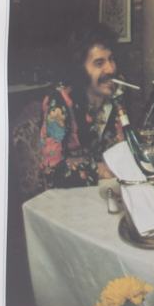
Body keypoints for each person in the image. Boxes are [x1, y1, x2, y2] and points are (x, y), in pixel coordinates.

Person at [37, 24, 126, 188]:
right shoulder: (60, 103)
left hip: (104, 190)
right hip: (68, 196)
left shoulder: (114, 98)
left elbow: (120, 151)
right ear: (80, 70)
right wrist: (97, 170)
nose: (111, 69)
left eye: (111, 59)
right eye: (99, 63)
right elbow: (51, 170)